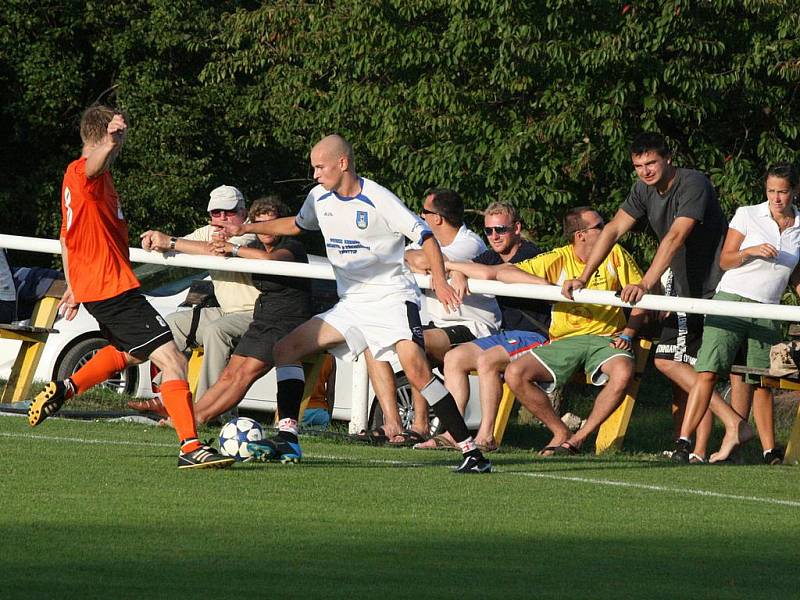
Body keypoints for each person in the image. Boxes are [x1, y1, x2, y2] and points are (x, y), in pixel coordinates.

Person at [222, 134, 491, 473]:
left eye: (320, 167)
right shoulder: (318, 197)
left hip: (392, 297)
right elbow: (296, 224)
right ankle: (288, 437)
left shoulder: (378, 198)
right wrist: (245, 227)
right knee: (286, 349)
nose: (315, 174)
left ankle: (471, 452)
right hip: (352, 303)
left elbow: (424, 237)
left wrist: (438, 278)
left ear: (343, 163)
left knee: (416, 370)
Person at [27, 104, 232, 469]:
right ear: (103, 137)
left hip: (105, 287)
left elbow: (66, 238)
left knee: (130, 353)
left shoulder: (85, 181)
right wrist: (108, 141)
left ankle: (66, 389)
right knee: (173, 359)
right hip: (112, 289)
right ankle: (190, 446)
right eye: (116, 140)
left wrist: (75, 285)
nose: (120, 146)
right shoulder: (84, 173)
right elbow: (92, 164)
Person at [561, 132, 731, 462]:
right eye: (638, 165)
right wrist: (583, 275)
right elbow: (611, 229)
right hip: (681, 291)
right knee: (675, 363)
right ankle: (724, 432)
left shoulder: (693, 183)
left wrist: (644, 283)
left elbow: (676, 237)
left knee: (698, 369)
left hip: (712, 289)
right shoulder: (642, 189)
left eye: (651, 163)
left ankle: (711, 442)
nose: (645, 171)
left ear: (668, 158)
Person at [451, 207, 647, 454]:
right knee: (513, 373)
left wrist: (628, 333)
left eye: (500, 229)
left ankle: (578, 439)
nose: (608, 229)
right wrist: (451, 268)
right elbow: (502, 271)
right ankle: (560, 432)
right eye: (600, 226)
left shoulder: (616, 253)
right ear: (580, 235)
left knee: (623, 371)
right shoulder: (557, 257)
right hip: (564, 340)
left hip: (606, 338)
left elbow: (642, 297)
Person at [673, 163, 800, 463]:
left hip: (768, 308)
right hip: (731, 301)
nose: (776, 198)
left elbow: (795, 276)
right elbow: (726, 260)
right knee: (708, 371)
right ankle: (683, 442)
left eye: (782, 191)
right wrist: (751, 251)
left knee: (762, 380)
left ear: (795, 191)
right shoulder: (747, 213)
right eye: (771, 191)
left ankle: (770, 451)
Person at [362, 188, 502, 446]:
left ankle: (420, 425)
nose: (419, 216)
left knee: (416, 344)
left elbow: (426, 261)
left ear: (437, 218)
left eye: (424, 212)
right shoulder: (425, 240)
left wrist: (424, 261)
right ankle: (392, 422)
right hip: (437, 325)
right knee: (373, 342)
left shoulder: (469, 243)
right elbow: (402, 257)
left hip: (473, 327)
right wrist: (419, 260)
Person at [416, 201, 548, 451]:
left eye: (500, 230)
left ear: (517, 228)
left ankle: (486, 436)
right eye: (488, 231)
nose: (494, 236)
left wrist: (454, 267)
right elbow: (414, 258)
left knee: (487, 360)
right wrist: (460, 273)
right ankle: (454, 432)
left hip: (535, 335)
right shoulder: (490, 254)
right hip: (505, 334)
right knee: (454, 357)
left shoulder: (532, 255)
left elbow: (489, 273)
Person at [190, 197, 312, 425]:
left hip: (287, 321)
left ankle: (200, 419)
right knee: (229, 374)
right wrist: (170, 242)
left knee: (244, 375)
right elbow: (208, 249)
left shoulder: (291, 247)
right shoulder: (253, 246)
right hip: (263, 317)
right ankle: (189, 417)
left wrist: (233, 248)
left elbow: (270, 260)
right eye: (259, 223)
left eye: (271, 223)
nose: (265, 229)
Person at [138, 185, 259, 402]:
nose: (222, 218)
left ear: (244, 212)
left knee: (216, 331)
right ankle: (169, 398)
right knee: (173, 323)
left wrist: (170, 241)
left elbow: (217, 249)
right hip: (227, 312)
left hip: (257, 314)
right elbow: (177, 244)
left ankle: (205, 406)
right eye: (216, 213)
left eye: (229, 212)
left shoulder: (251, 232)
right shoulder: (209, 231)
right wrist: (155, 241)